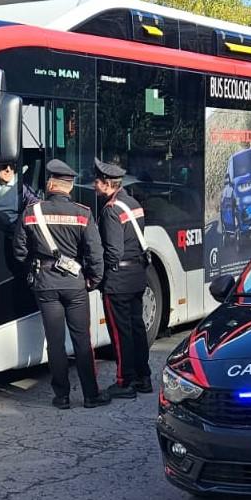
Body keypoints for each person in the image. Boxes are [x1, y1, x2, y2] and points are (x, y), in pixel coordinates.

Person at [13, 159, 110, 410]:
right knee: (82, 340)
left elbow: (19, 251)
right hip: (75, 284)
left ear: (50, 184)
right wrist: (93, 280)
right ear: (70, 186)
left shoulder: (32, 212)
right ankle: (91, 395)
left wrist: (33, 269)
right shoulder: (83, 213)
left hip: (45, 284)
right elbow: (95, 253)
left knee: (54, 341)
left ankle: (62, 396)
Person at [93, 159, 153, 399]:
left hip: (118, 280)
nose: (94, 185)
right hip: (137, 276)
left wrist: (99, 275)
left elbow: (113, 252)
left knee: (120, 333)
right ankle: (143, 377)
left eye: (97, 181)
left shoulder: (111, 210)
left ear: (107, 184)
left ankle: (125, 381)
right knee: (137, 328)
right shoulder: (133, 203)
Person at [0, 161, 38, 232]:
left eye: (12, 166)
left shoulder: (22, 188)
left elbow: (35, 202)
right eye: (4, 166)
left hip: (16, 233)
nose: (8, 170)